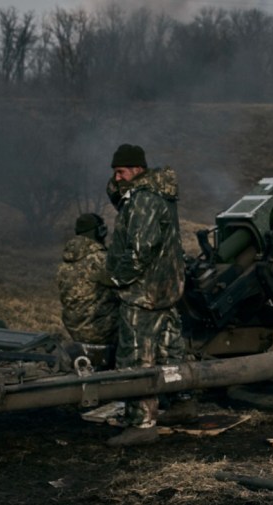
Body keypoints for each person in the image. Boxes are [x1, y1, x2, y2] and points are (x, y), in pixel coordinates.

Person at [100, 143, 187, 447]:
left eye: (121, 171)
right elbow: (119, 197)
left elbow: (139, 250)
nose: (117, 176)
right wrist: (119, 185)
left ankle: (141, 423)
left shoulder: (143, 200)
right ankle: (183, 403)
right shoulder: (159, 194)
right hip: (166, 288)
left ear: (137, 169)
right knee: (170, 350)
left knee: (136, 356)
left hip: (143, 292)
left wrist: (114, 277)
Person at [56, 213, 119, 347]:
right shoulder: (101, 260)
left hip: (75, 331)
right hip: (100, 332)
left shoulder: (65, 263)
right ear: (99, 232)